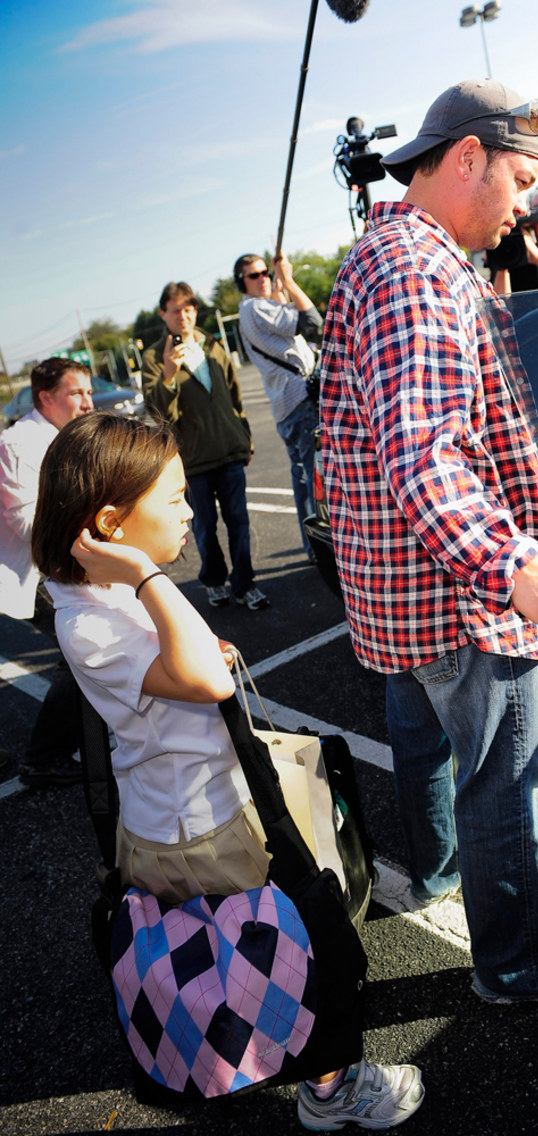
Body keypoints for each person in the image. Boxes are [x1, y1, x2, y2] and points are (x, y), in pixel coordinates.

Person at [320, 77, 538, 1005]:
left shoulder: (401, 253)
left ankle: (436, 878)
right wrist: (519, 571)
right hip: (459, 594)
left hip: (404, 595)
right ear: (467, 157)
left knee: (429, 746)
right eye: (524, 176)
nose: (530, 200)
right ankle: (520, 965)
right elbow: (424, 454)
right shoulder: (418, 271)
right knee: (510, 776)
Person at [30, 412, 424, 1131]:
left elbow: (182, 662)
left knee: (242, 951)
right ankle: (330, 1088)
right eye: (174, 499)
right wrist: (148, 574)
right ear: (111, 523)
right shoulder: (89, 619)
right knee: (285, 943)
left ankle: (291, 1062)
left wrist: (154, 594)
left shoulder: (101, 595)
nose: (189, 511)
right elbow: (204, 681)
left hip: (187, 812)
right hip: (200, 826)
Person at [142, 282, 267, 610]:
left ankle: (245, 583)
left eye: (188, 308)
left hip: (230, 450)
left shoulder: (211, 344)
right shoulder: (155, 356)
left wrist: (246, 438)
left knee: (239, 521)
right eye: (175, 310)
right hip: (192, 461)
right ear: (163, 314)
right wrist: (168, 373)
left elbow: (234, 395)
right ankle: (214, 581)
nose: (183, 316)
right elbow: (157, 412)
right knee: (204, 526)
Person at [0, 357, 94, 787]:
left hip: (60, 564)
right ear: (46, 397)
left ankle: (73, 740)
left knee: (86, 650)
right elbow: (24, 522)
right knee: (82, 651)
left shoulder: (65, 435)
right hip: (34, 570)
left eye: (89, 392)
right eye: (77, 393)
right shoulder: (20, 443)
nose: (87, 402)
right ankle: (43, 758)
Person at [235, 252, 322, 562]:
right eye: (254, 275)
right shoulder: (256, 308)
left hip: (285, 405)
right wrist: (288, 279)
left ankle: (311, 547)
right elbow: (312, 321)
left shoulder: (252, 309)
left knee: (303, 480)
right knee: (317, 480)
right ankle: (323, 548)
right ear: (241, 282)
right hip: (298, 402)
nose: (263, 278)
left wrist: (278, 287)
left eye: (265, 273)